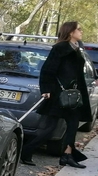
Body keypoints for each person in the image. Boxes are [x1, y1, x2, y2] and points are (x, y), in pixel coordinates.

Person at [20, 21, 91, 168]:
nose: (81, 31)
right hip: (59, 94)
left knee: (72, 123)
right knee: (50, 128)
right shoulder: (60, 48)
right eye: (79, 29)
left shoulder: (77, 48)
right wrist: (46, 89)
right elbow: (47, 70)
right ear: (71, 32)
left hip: (72, 95)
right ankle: (26, 151)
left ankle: (67, 155)